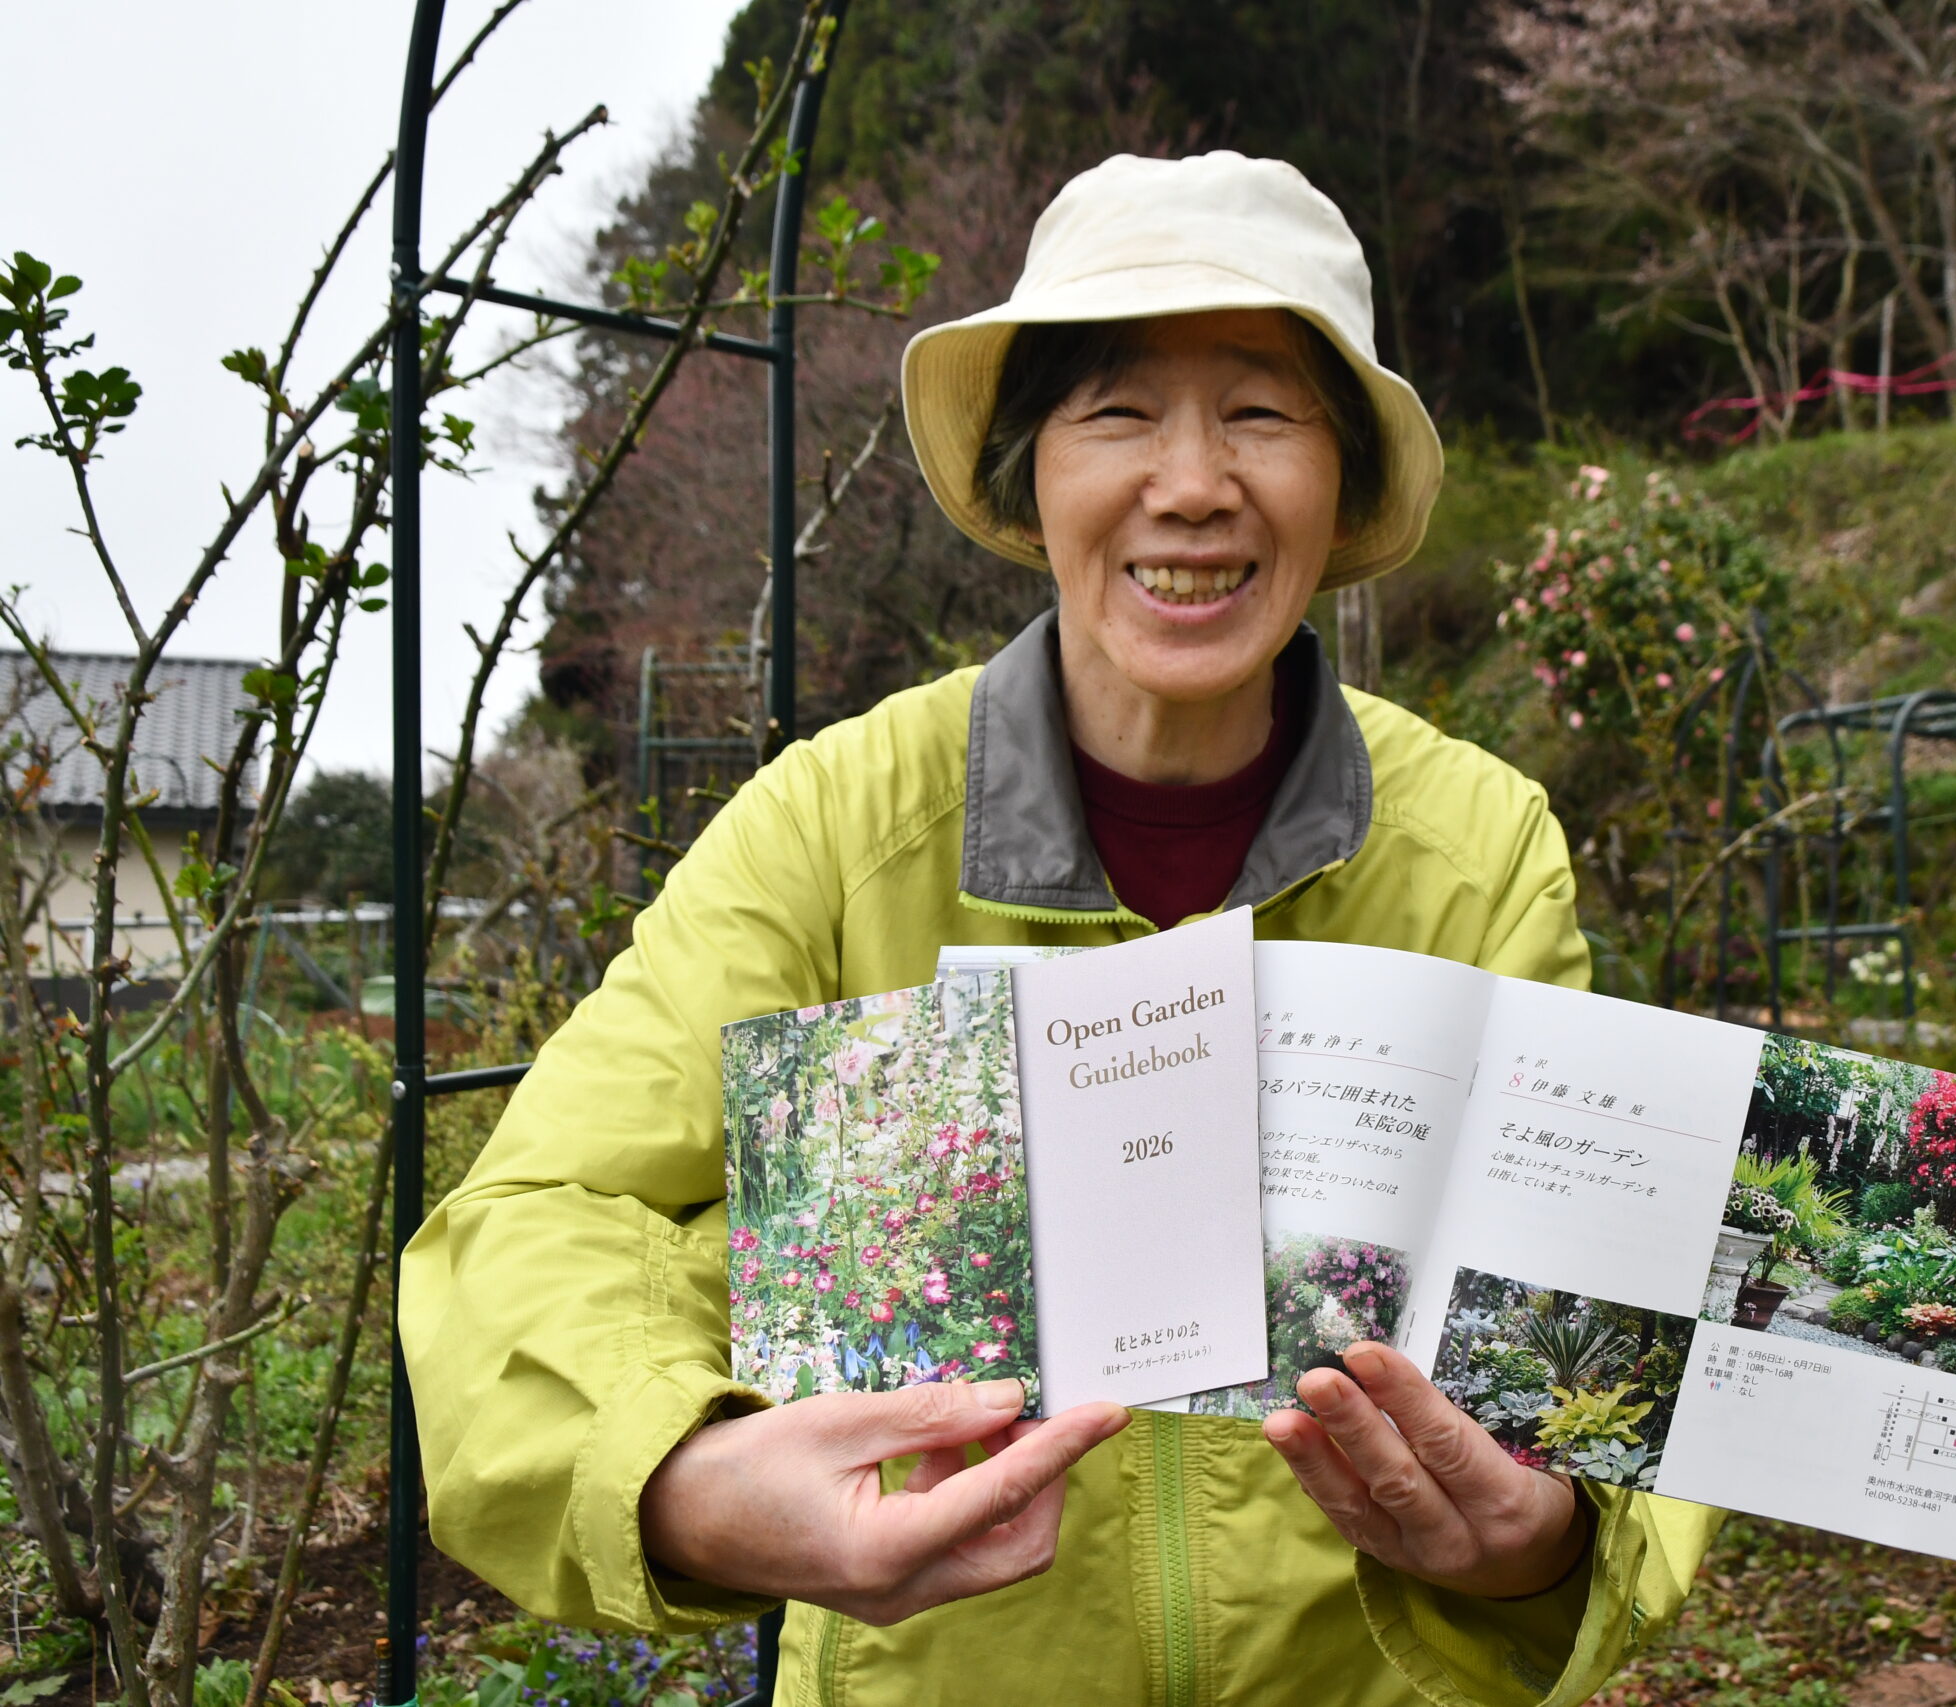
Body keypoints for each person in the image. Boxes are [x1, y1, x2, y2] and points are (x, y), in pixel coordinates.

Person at [402, 151, 1716, 1707]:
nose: (1191, 484)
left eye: (1261, 412)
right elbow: (552, 1210)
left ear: (1344, 482)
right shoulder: (835, 827)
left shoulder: (1476, 847)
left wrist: (1550, 1540)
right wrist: (689, 1477)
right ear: (1032, 476)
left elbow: (1613, 1294)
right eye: (1115, 411)